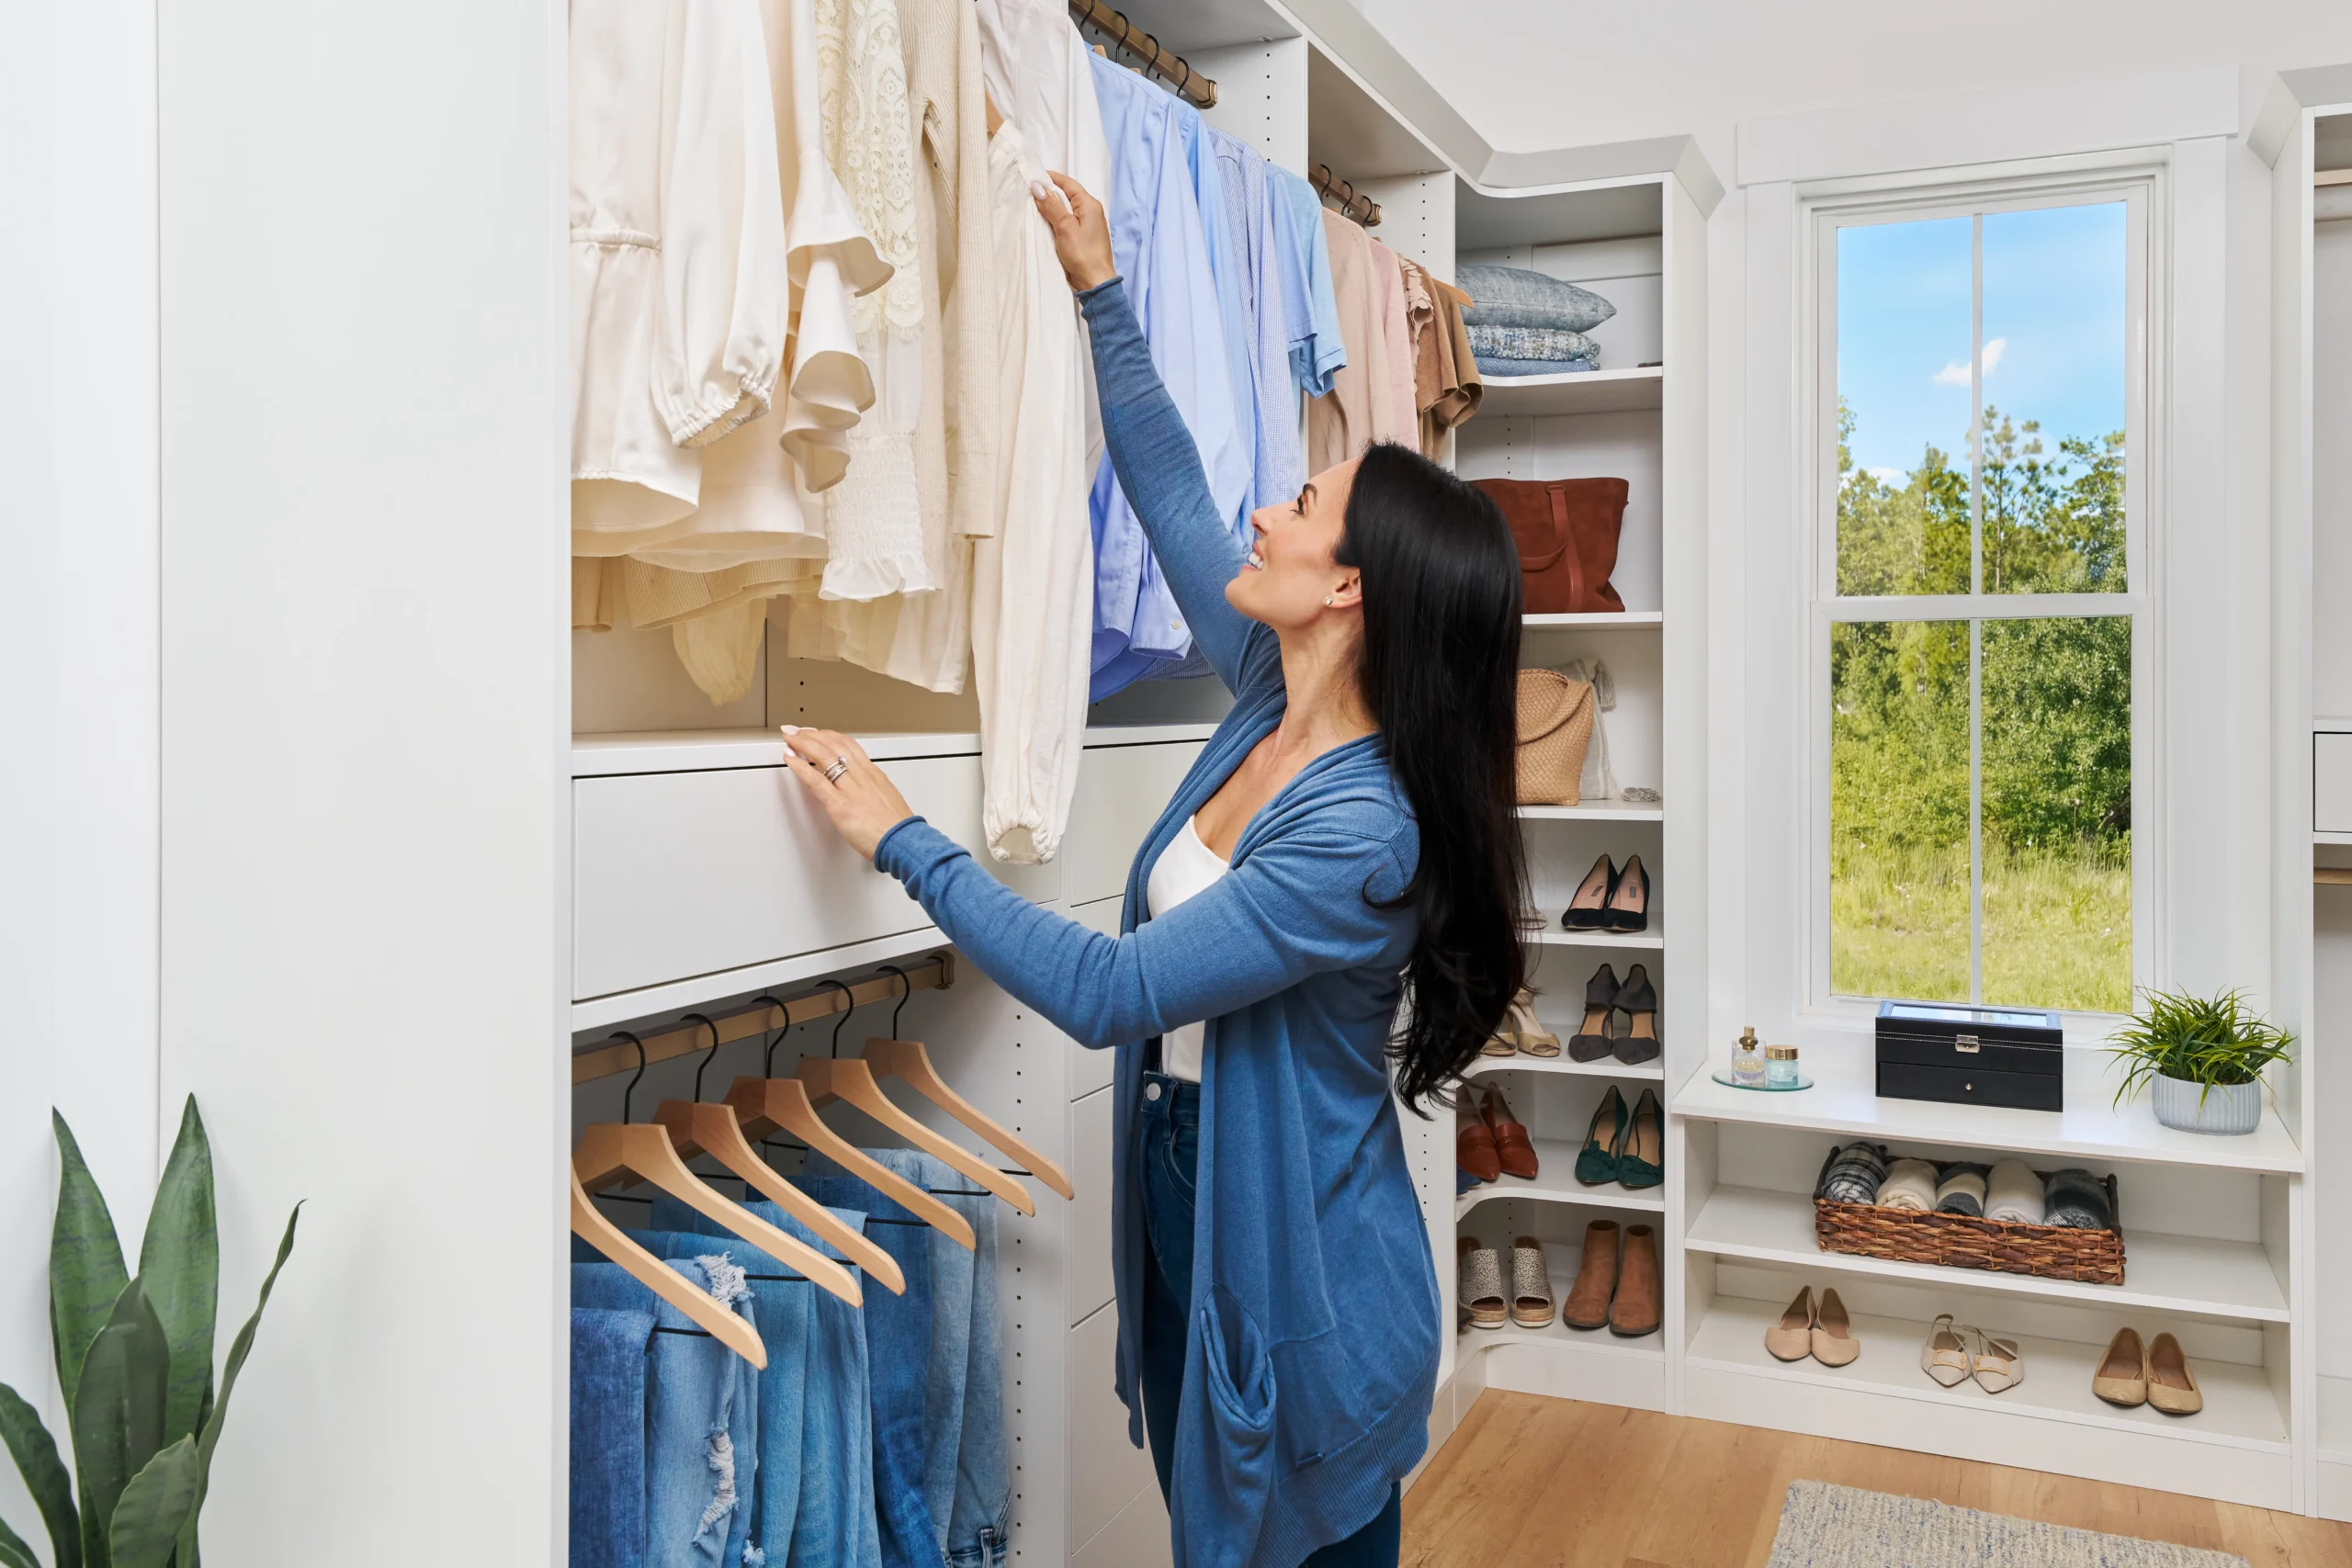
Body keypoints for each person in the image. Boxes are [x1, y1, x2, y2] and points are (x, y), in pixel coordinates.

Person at [777, 171, 1526, 1568]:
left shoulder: (1364, 832)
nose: (1265, 518)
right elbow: (1173, 483)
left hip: (1306, 1269)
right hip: (1194, 1187)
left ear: (1349, 586)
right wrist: (1098, 285)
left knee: (1289, 1532)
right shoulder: (1263, 689)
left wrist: (901, 836)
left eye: (1302, 504)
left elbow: (1115, 988)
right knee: (1217, 1526)